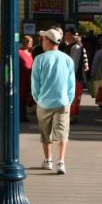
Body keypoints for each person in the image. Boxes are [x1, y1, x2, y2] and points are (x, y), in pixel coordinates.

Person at [31, 27, 75, 175]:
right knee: (62, 133)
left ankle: (48, 160)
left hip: (44, 102)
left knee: (45, 133)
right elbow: (71, 83)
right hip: (62, 101)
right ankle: (61, 162)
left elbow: (35, 83)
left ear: (48, 41)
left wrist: (37, 98)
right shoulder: (67, 59)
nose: (42, 41)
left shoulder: (39, 59)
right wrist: (69, 99)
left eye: (43, 39)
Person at [67, 32, 90, 123]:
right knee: (77, 97)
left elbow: (74, 63)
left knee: (72, 97)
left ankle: (72, 115)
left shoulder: (75, 48)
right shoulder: (82, 48)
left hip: (75, 76)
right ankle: (74, 114)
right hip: (80, 76)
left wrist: (70, 75)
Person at [19, 36, 35, 122]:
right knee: (21, 98)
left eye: (31, 41)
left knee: (26, 97)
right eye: (28, 41)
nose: (30, 43)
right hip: (21, 77)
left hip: (29, 78)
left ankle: (24, 115)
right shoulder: (19, 52)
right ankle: (20, 116)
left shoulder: (31, 53)